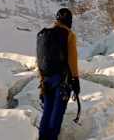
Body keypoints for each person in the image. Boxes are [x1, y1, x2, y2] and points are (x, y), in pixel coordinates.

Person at [37, 8, 80, 140]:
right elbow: (72, 59)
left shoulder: (43, 35)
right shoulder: (68, 34)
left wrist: (42, 82)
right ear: (69, 21)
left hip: (46, 80)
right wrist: (76, 80)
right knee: (57, 113)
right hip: (62, 80)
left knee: (47, 112)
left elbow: (39, 61)